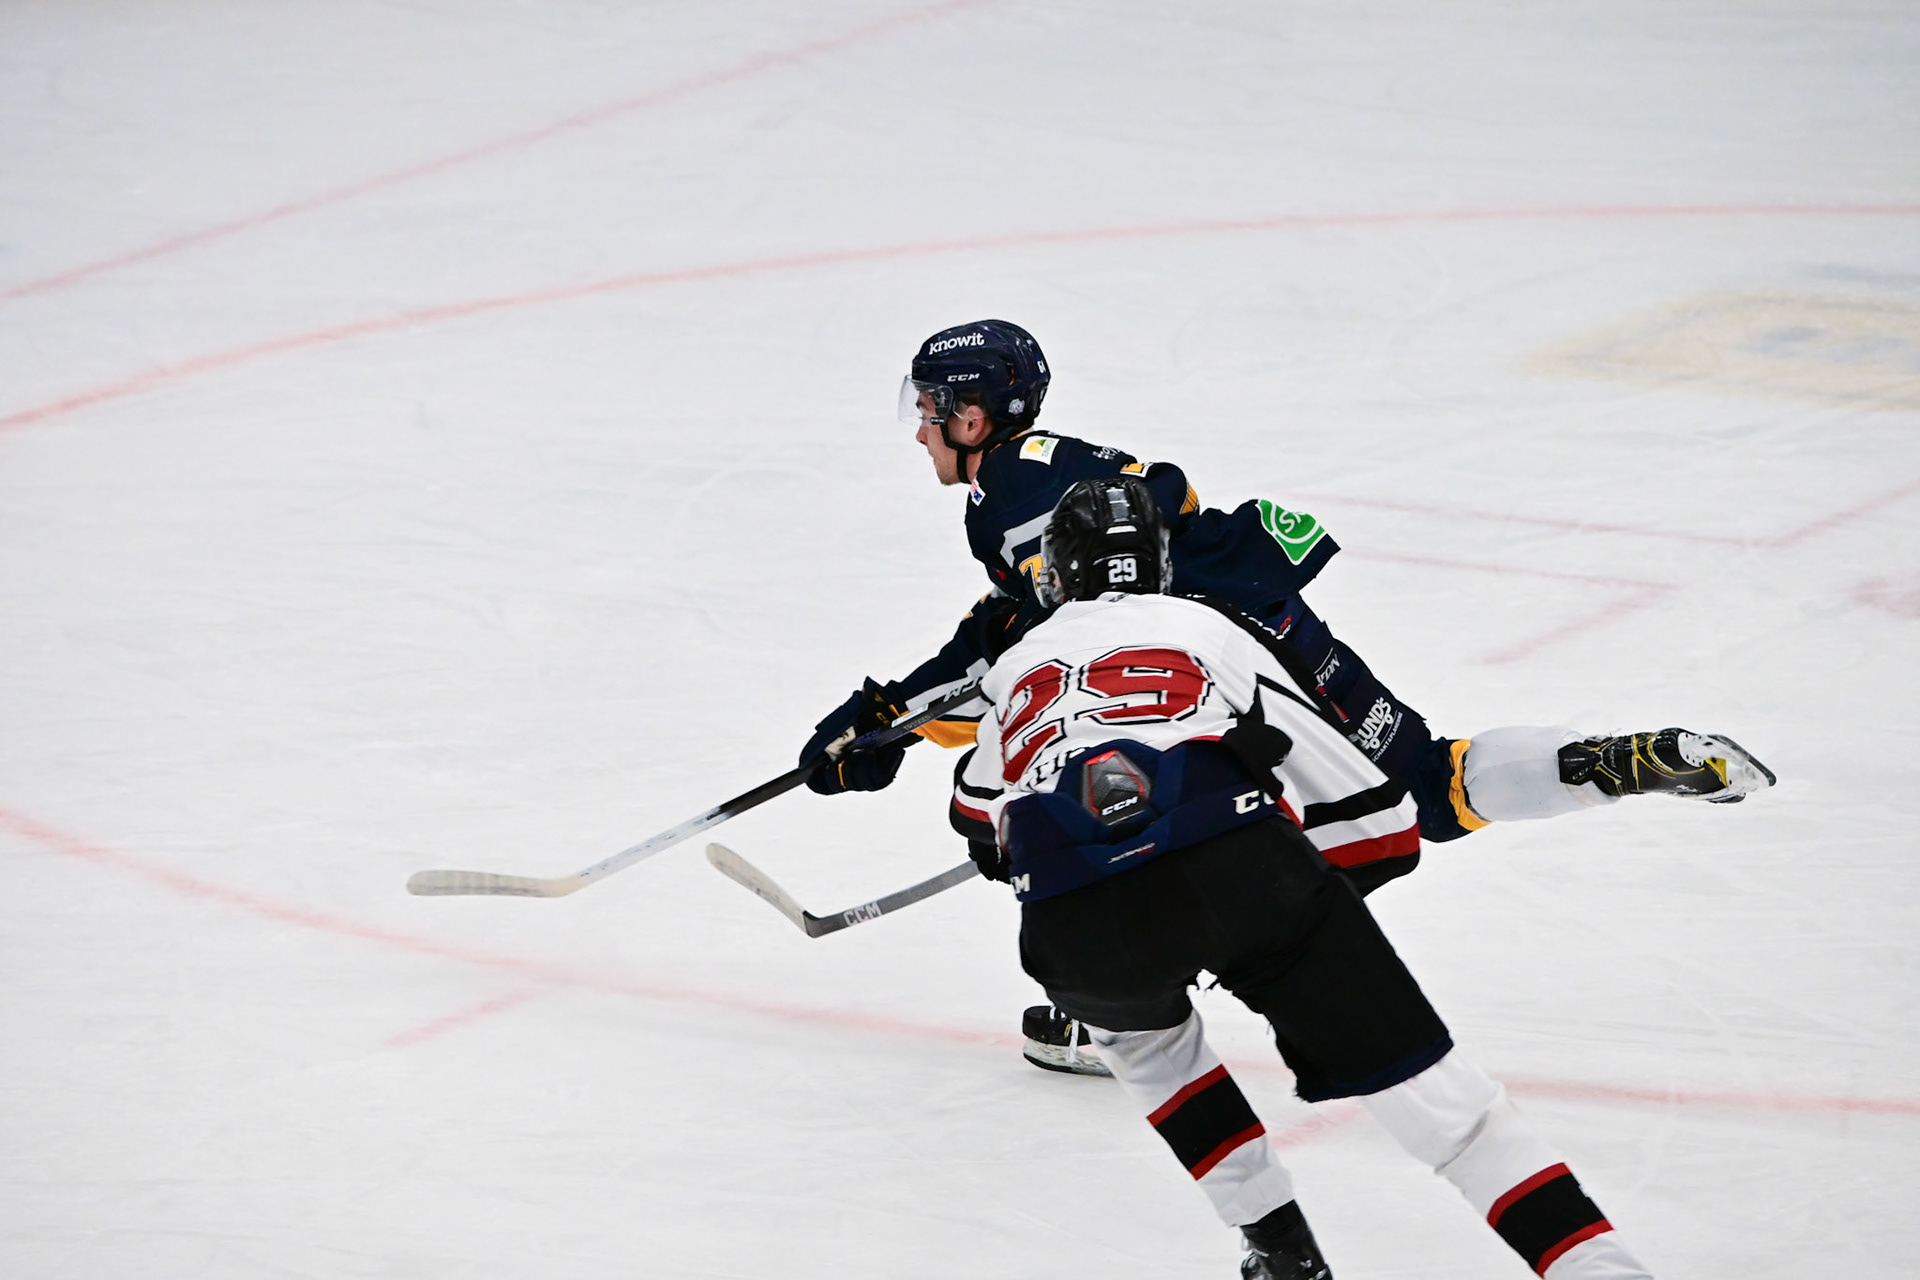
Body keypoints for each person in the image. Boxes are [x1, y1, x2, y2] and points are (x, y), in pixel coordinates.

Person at [801, 318, 1774, 1074]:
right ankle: (1612, 762)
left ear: (974, 415)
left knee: (1112, 800)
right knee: (1431, 787)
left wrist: (899, 725)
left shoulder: (1013, 485)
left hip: (1206, 653)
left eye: (930, 407)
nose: (921, 427)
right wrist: (890, 711)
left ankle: (1119, 1002)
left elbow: (1047, 633)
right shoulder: (1036, 477)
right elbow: (1015, 620)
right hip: (1268, 618)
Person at [942, 475, 1653, 1278]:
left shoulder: (1014, 667)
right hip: (1238, 863)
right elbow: (1377, 814)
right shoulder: (1213, 628)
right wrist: (1302, 907)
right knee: (1457, 1119)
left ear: (1055, 575)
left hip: (1074, 917)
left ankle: (1281, 1250)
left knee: (1146, 1048)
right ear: (1160, 562)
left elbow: (977, 817)